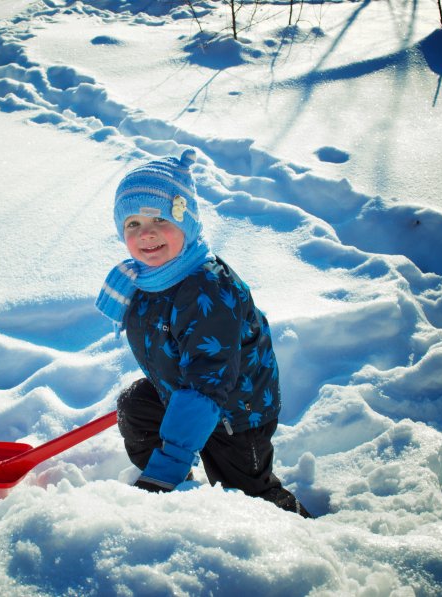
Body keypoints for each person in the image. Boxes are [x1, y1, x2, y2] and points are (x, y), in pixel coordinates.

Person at [95, 148, 311, 517]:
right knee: (136, 407)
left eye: (159, 220)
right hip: (183, 391)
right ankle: (179, 493)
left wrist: (167, 467)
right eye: (133, 224)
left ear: (188, 224)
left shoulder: (207, 288)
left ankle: (310, 534)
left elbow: (206, 383)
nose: (146, 235)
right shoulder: (145, 280)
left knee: (249, 496)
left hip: (234, 411)